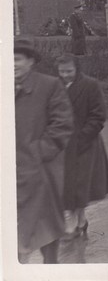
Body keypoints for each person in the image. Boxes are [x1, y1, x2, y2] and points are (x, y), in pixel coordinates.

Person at [14, 38, 74, 263]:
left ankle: (50, 269)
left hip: (41, 173)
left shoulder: (49, 86)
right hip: (12, 173)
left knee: (46, 229)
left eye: (17, 59)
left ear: (30, 61)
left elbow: (62, 126)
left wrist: (37, 153)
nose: (11, 64)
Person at [55, 54, 108, 239]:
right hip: (60, 144)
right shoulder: (53, 86)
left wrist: (82, 138)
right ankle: (80, 221)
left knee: (79, 185)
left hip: (85, 143)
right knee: (65, 185)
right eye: (61, 71)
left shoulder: (90, 85)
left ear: (77, 69)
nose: (65, 75)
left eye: (69, 71)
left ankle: (72, 225)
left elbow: (98, 115)